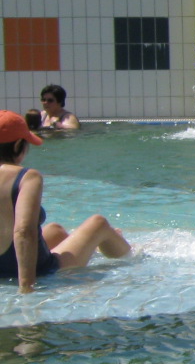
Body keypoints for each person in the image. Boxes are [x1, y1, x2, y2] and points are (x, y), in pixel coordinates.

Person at [1, 111, 132, 293]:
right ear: (18, 145)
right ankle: (133, 256)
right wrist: (26, 286)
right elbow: (24, 231)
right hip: (37, 270)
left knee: (56, 231)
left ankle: (93, 248)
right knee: (98, 223)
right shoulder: (26, 177)